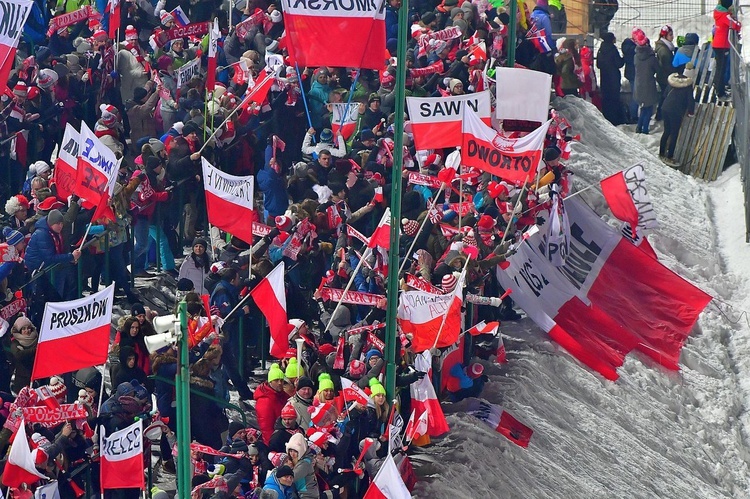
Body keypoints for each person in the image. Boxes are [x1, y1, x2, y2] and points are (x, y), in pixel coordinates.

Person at [659, 72, 695, 166]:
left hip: (665, 108)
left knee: (667, 131)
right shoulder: (687, 86)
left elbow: (665, 94)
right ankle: (670, 156)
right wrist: (691, 112)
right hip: (676, 111)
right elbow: (690, 100)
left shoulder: (672, 82)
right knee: (674, 133)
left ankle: (661, 153)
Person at [254, 364, 291, 444]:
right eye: (276, 380)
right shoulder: (265, 401)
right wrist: (272, 445)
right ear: (270, 381)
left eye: (281, 380)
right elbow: (266, 428)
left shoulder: (280, 394)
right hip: (275, 440)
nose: (280, 383)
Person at [712, 0, 741, 100]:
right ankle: (720, 93)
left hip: (717, 43)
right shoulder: (725, 16)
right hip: (722, 45)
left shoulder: (718, 13)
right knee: (721, 69)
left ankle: (718, 88)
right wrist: (738, 22)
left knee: (719, 68)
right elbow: (736, 25)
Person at [632, 29, 659, 134]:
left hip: (639, 85)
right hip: (649, 85)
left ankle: (639, 126)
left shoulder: (636, 57)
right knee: (649, 108)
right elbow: (657, 69)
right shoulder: (651, 58)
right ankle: (645, 129)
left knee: (643, 107)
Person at [597, 32, 625, 125]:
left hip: (604, 77)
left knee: (606, 98)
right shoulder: (613, 50)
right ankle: (615, 119)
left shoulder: (601, 50)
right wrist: (623, 59)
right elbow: (619, 63)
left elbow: (598, 64)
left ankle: (606, 117)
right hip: (613, 78)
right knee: (614, 98)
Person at [654, 25, 676, 119]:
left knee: (665, 96)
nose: (672, 36)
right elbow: (667, 66)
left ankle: (660, 114)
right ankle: (661, 115)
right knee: (665, 96)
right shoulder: (664, 50)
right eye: (670, 35)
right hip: (665, 77)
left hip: (662, 76)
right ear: (664, 36)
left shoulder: (664, 46)